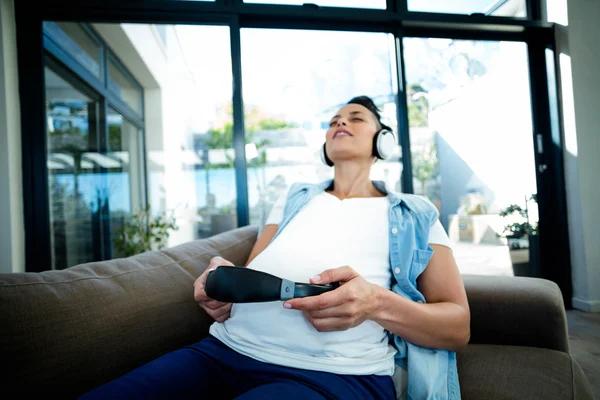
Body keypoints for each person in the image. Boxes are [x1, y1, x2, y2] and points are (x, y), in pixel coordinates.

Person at [78, 96, 470, 400]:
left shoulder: (414, 212)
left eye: (355, 118)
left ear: (382, 140)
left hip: (335, 377)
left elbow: (457, 327)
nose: (340, 123)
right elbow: (253, 275)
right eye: (334, 120)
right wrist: (224, 288)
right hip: (222, 352)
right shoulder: (294, 197)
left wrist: (376, 304)